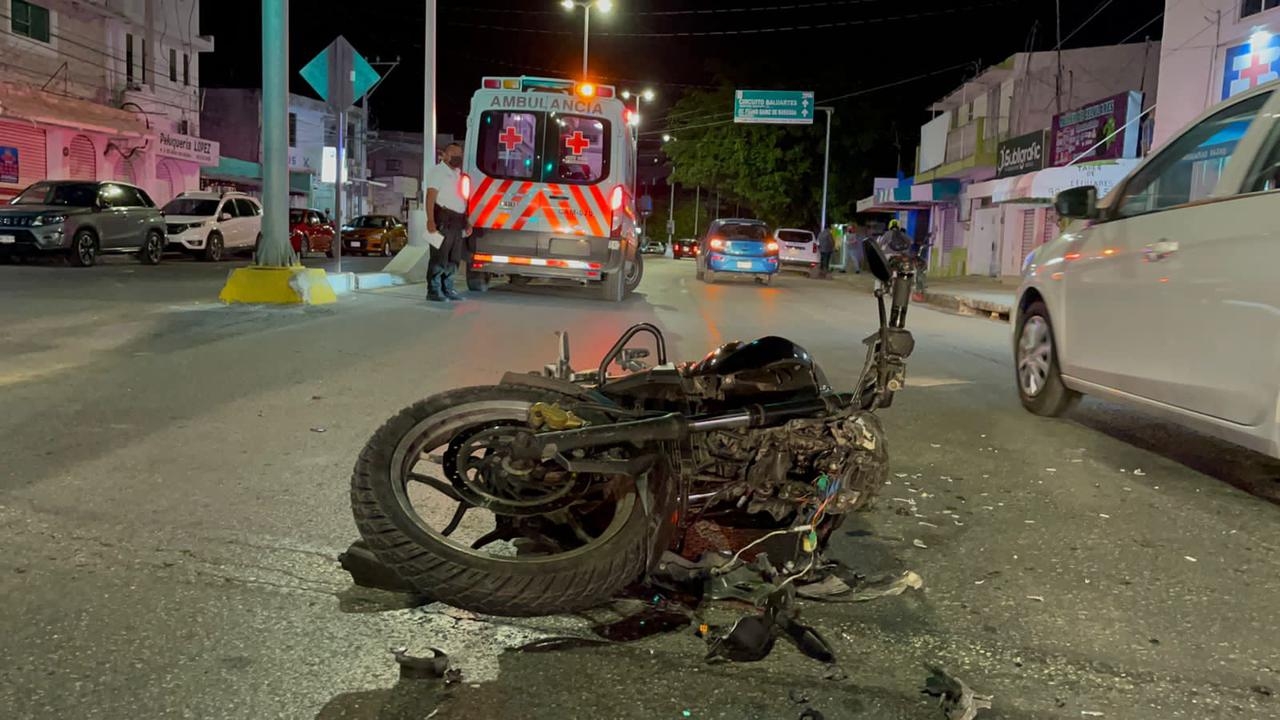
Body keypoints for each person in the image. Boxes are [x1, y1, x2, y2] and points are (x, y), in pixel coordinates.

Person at [425, 142, 471, 302]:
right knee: (440, 257)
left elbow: (462, 201)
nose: (456, 157)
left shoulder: (459, 174)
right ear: (444, 154)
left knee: (454, 258)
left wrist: (467, 222)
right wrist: (430, 220)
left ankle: (448, 287)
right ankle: (434, 290)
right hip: (443, 219)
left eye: (459, 154)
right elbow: (430, 196)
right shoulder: (438, 172)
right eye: (453, 153)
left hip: (458, 221)